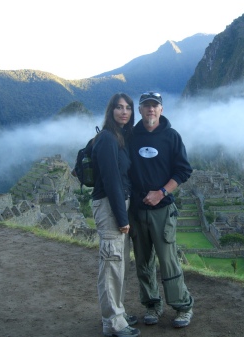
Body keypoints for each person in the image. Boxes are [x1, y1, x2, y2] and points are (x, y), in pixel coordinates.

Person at [128, 91, 194, 328]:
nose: (151, 110)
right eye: (146, 106)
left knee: (168, 261)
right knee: (143, 261)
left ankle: (182, 306)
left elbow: (183, 171)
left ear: (161, 109)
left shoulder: (171, 137)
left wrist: (161, 193)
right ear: (140, 110)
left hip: (162, 210)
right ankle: (152, 305)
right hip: (137, 211)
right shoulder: (131, 136)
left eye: (155, 106)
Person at [91, 93, 141, 337]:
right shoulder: (108, 140)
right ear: (111, 111)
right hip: (110, 207)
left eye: (128, 108)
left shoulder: (119, 138)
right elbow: (111, 183)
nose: (124, 112)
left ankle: (117, 313)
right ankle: (112, 322)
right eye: (119, 107)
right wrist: (122, 219)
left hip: (119, 204)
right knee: (111, 264)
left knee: (119, 263)